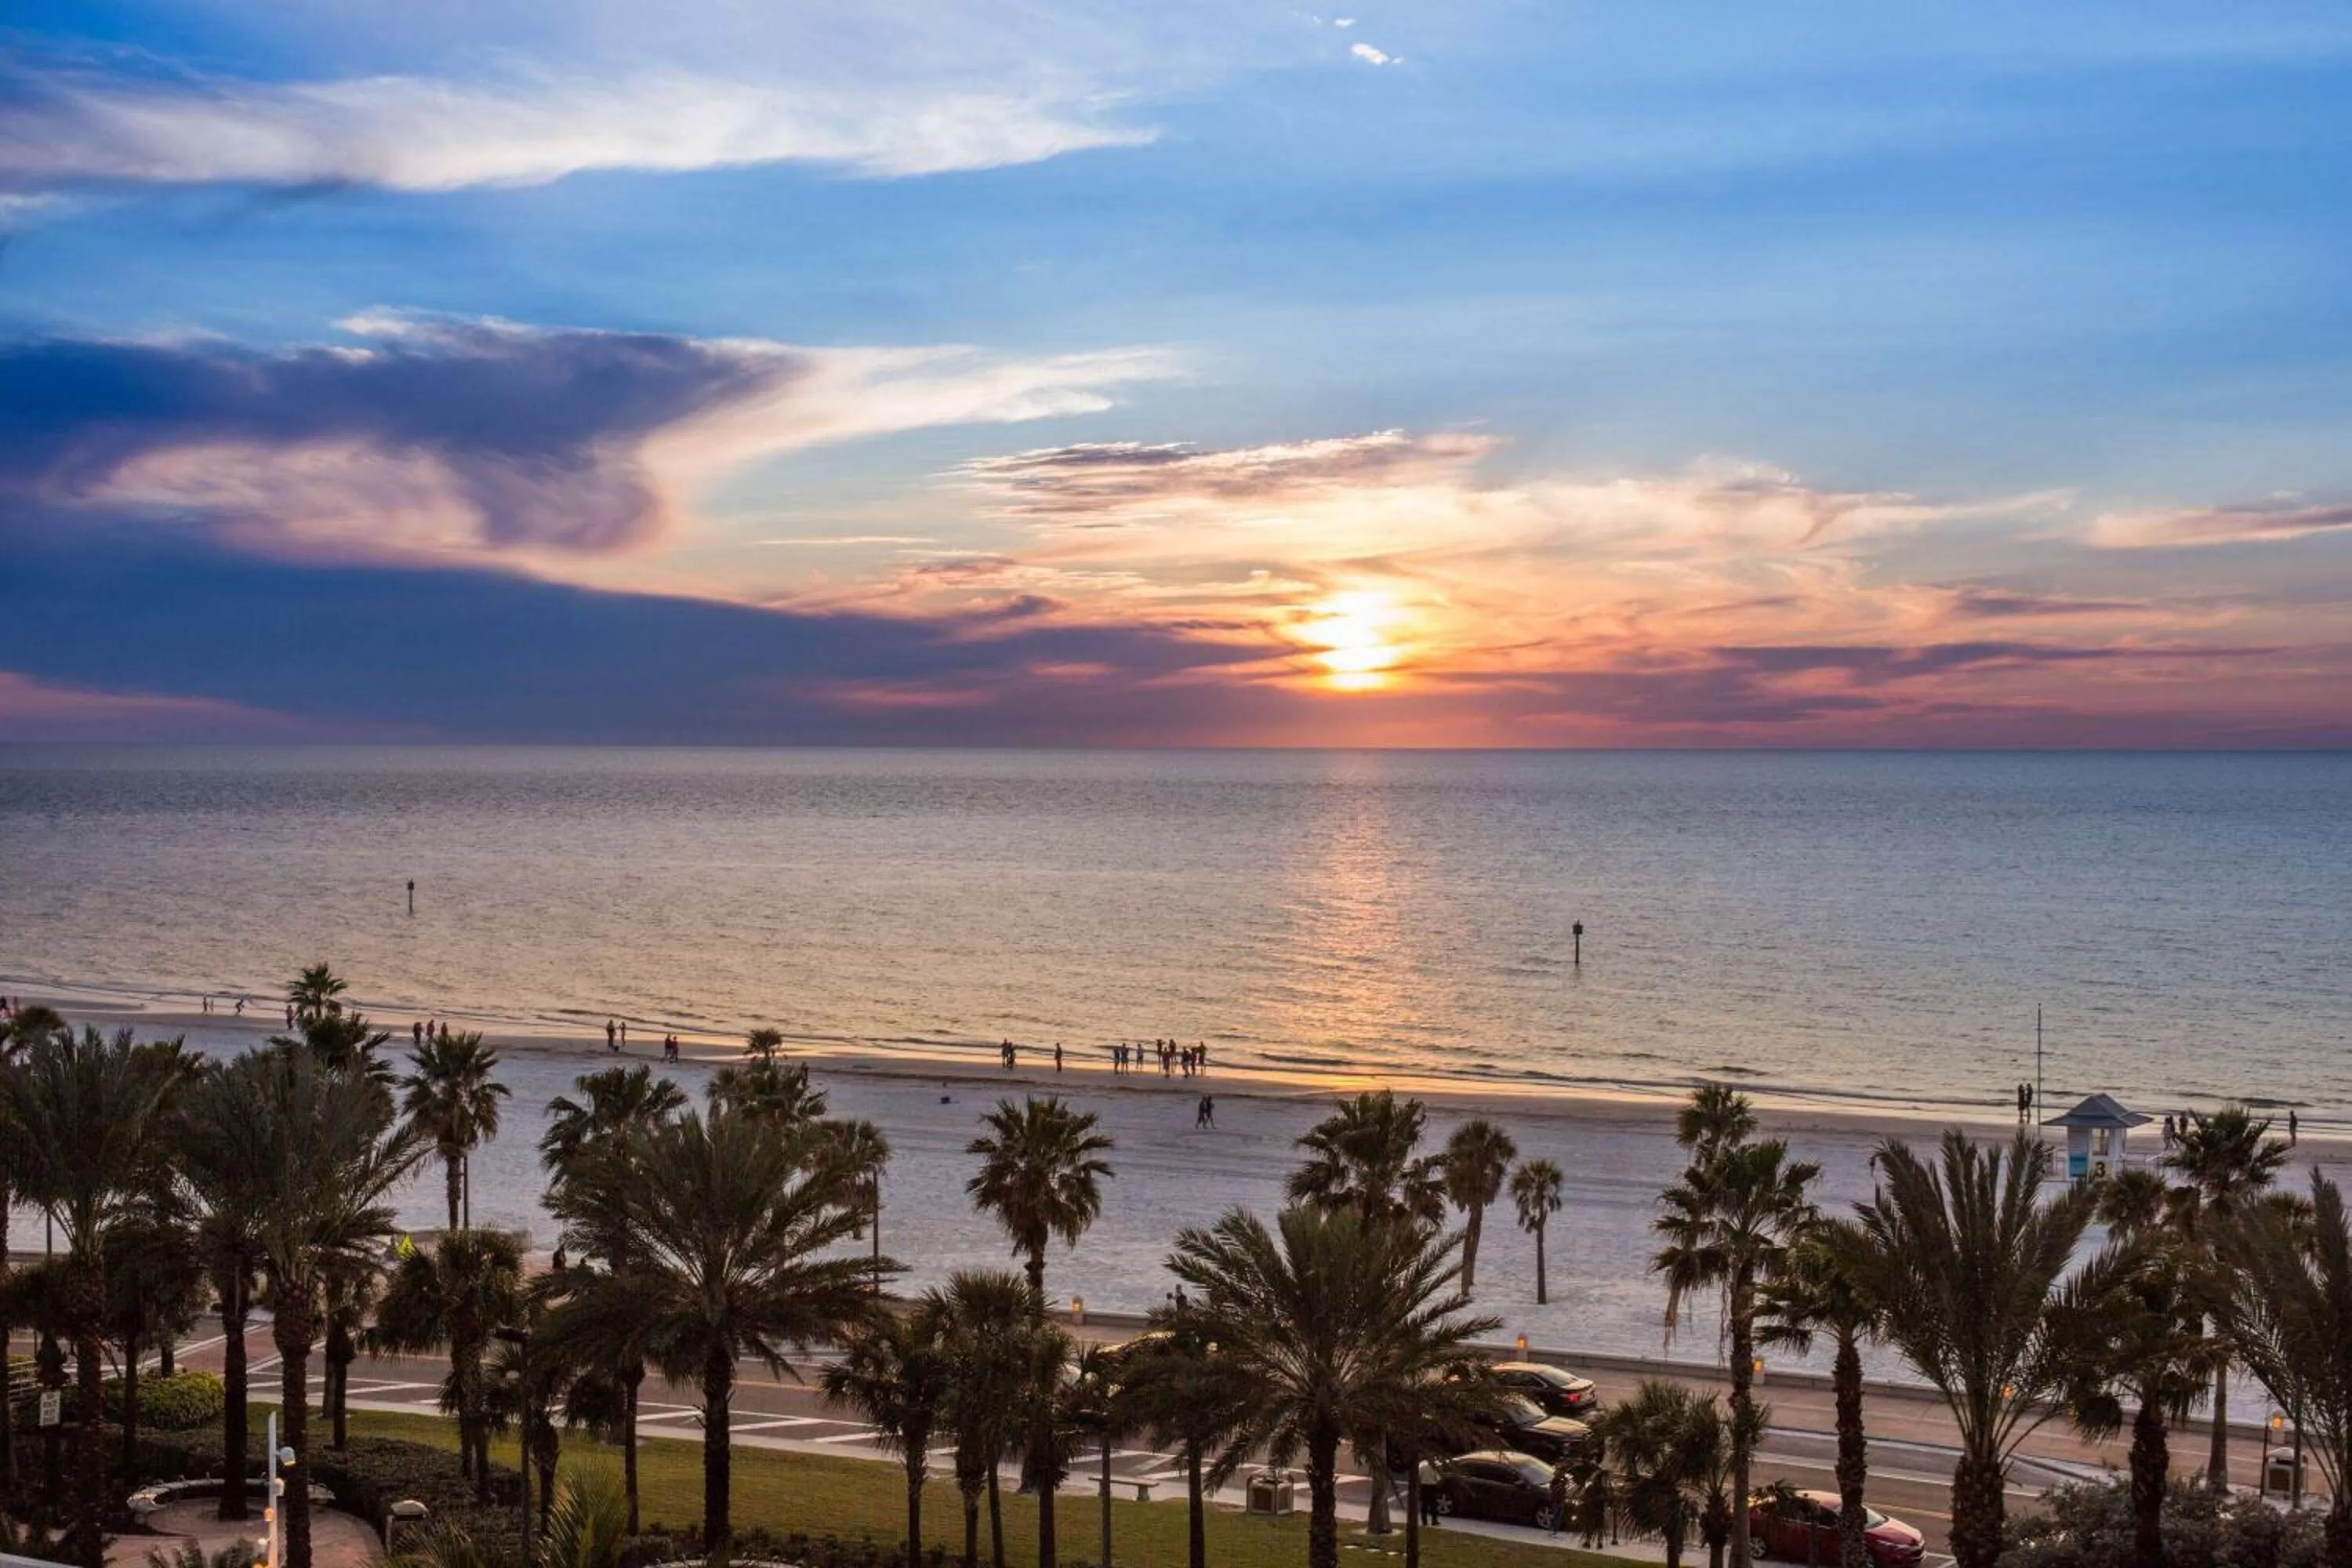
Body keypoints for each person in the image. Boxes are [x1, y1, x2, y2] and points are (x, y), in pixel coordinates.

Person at [1418, 1459, 1443, 1527]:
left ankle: (1424, 1521)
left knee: (1424, 1505)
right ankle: (1434, 1521)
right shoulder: (1434, 1469)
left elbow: (1419, 1477)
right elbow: (1439, 1479)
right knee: (1433, 1505)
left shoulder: (1422, 1468)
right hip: (1432, 1487)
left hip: (1424, 1487)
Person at [1548, 1462, 1570, 1536]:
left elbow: (1566, 1487)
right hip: (1555, 1500)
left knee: (1558, 1516)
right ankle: (1552, 1529)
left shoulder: (1564, 1480)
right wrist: (1559, 1485)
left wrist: (1564, 1483)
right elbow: (1552, 1489)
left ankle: (1555, 1531)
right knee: (1555, 1514)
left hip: (1561, 1500)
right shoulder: (1555, 1481)